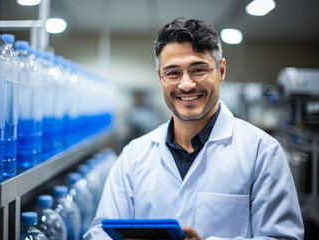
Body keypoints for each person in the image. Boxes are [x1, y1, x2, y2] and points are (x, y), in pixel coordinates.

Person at [84, 18, 304, 240]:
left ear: (222, 71)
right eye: (172, 73)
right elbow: (100, 231)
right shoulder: (134, 155)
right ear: (160, 76)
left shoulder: (262, 152)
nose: (186, 84)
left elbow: (281, 237)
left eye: (198, 69)